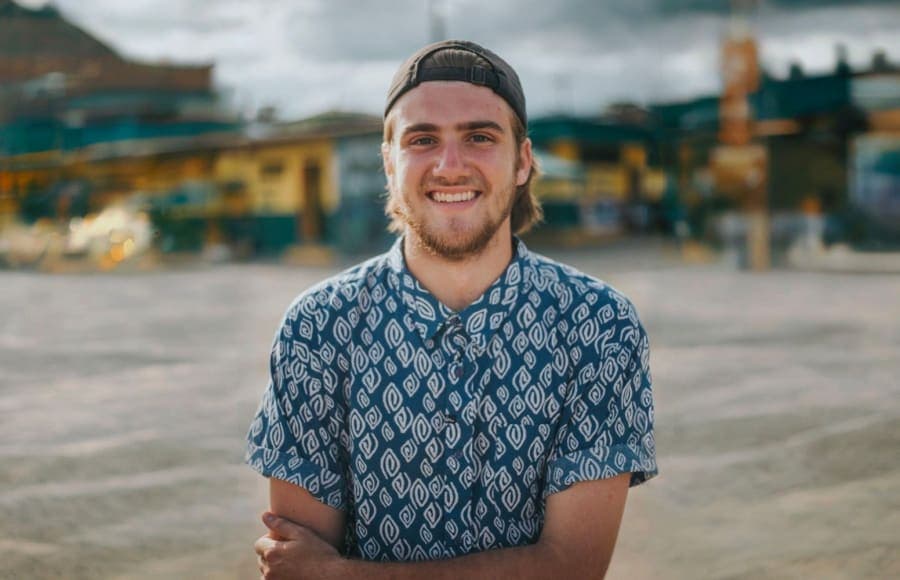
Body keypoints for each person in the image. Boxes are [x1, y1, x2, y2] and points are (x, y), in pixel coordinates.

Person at [246, 39, 657, 579]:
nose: (450, 166)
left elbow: (571, 569)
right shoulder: (318, 327)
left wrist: (342, 575)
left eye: (479, 137)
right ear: (389, 163)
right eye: (422, 140)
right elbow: (299, 568)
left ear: (522, 162)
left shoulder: (598, 325)